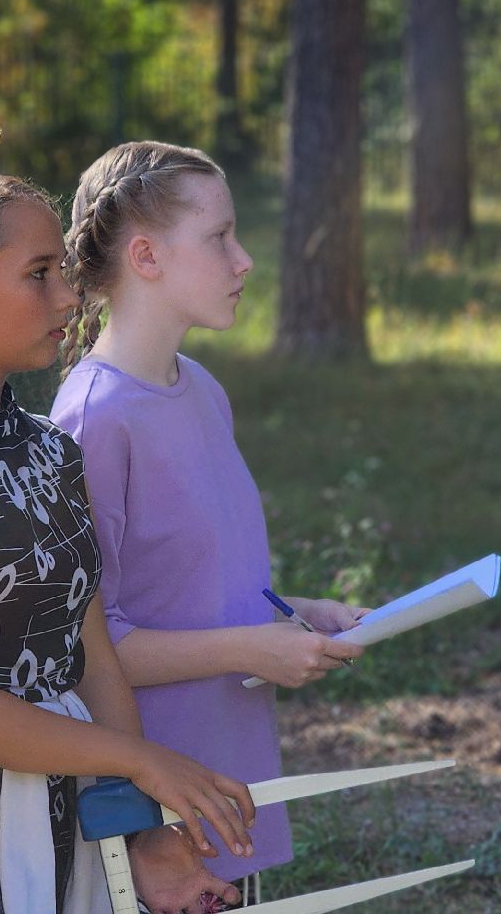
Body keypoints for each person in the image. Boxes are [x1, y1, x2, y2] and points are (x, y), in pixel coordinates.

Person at [0, 169, 255, 914]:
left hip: (65, 832)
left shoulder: (52, 450)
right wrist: (139, 760)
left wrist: (144, 834)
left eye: (62, 275)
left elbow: (94, 656)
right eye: (38, 275)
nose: (69, 298)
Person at [50, 141, 368, 899]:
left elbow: (192, 584)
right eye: (220, 237)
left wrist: (294, 616)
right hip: (158, 801)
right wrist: (250, 646)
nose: (244, 259)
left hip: (232, 770)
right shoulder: (94, 420)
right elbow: (91, 647)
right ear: (147, 257)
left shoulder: (203, 389)